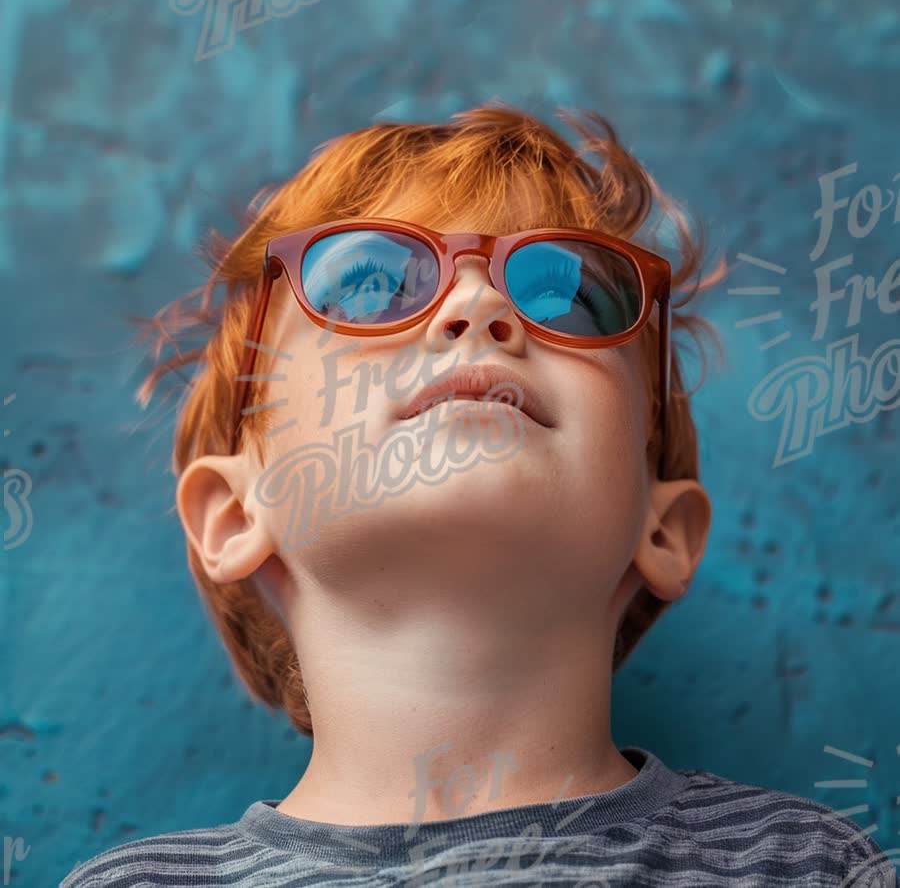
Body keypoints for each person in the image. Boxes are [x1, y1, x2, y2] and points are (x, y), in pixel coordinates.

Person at [61, 104, 895, 886]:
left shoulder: (803, 865)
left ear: (665, 528)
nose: (479, 303)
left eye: (569, 293)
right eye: (370, 283)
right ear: (235, 514)